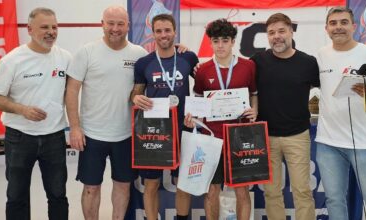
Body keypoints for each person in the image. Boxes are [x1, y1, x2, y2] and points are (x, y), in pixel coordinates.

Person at [65, 6, 147, 220]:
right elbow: (72, 90)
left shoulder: (139, 54)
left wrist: (180, 48)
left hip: (126, 135)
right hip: (92, 135)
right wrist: (74, 127)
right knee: (91, 188)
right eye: (110, 23)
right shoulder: (87, 52)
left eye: (120, 24)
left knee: (123, 186)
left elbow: (159, 66)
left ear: (128, 25)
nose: (115, 28)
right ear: (102, 23)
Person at [0, 7, 70, 220]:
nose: (51, 32)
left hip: (54, 137)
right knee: (17, 196)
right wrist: (23, 110)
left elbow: (72, 93)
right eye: (44, 27)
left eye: (54, 27)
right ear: (29, 29)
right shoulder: (12, 60)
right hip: (19, 137)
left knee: (58, 195)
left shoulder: (65, 58)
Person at [316, 6, 366, 220]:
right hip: (327, 142)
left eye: (343, 22)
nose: (338, 27)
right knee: (334, 199)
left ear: (354, 26)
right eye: (333, 23)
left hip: (363, 141)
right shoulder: (320, 55)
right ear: (327, 28)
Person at [184, 18, 257, 220]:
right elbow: (197, 102)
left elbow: (254, 94)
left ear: (233, 41)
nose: (221, 45)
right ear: (211, 42)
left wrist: (255, 111)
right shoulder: (203, 70)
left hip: (239, 138)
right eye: (216, 41)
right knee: (212, 190)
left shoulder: (248, 66)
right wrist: (192, 119)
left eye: (225, 40)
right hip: (211, 139)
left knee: (242, 190)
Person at [249, 13, 318, 220]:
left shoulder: (308, 62)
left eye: (281, 31)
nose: (276, 36)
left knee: (302, 192)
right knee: (271, 193)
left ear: (291, 31)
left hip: (298, 136)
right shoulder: (257, 61)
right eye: (271, 33)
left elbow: (330, 88)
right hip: (266, 137)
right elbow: (244, 88)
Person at [130, 14, 198, 220]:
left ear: (175, 32)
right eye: (158, 31)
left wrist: (197, 111)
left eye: (167, 30)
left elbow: (205, 88)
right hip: (154, 129)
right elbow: (135, 94)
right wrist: (137, 99)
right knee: (151, 183)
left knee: (182, 183)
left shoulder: (188, 57)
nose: (163, 35)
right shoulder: (143, 63)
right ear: (153, 34)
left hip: (183, 128)